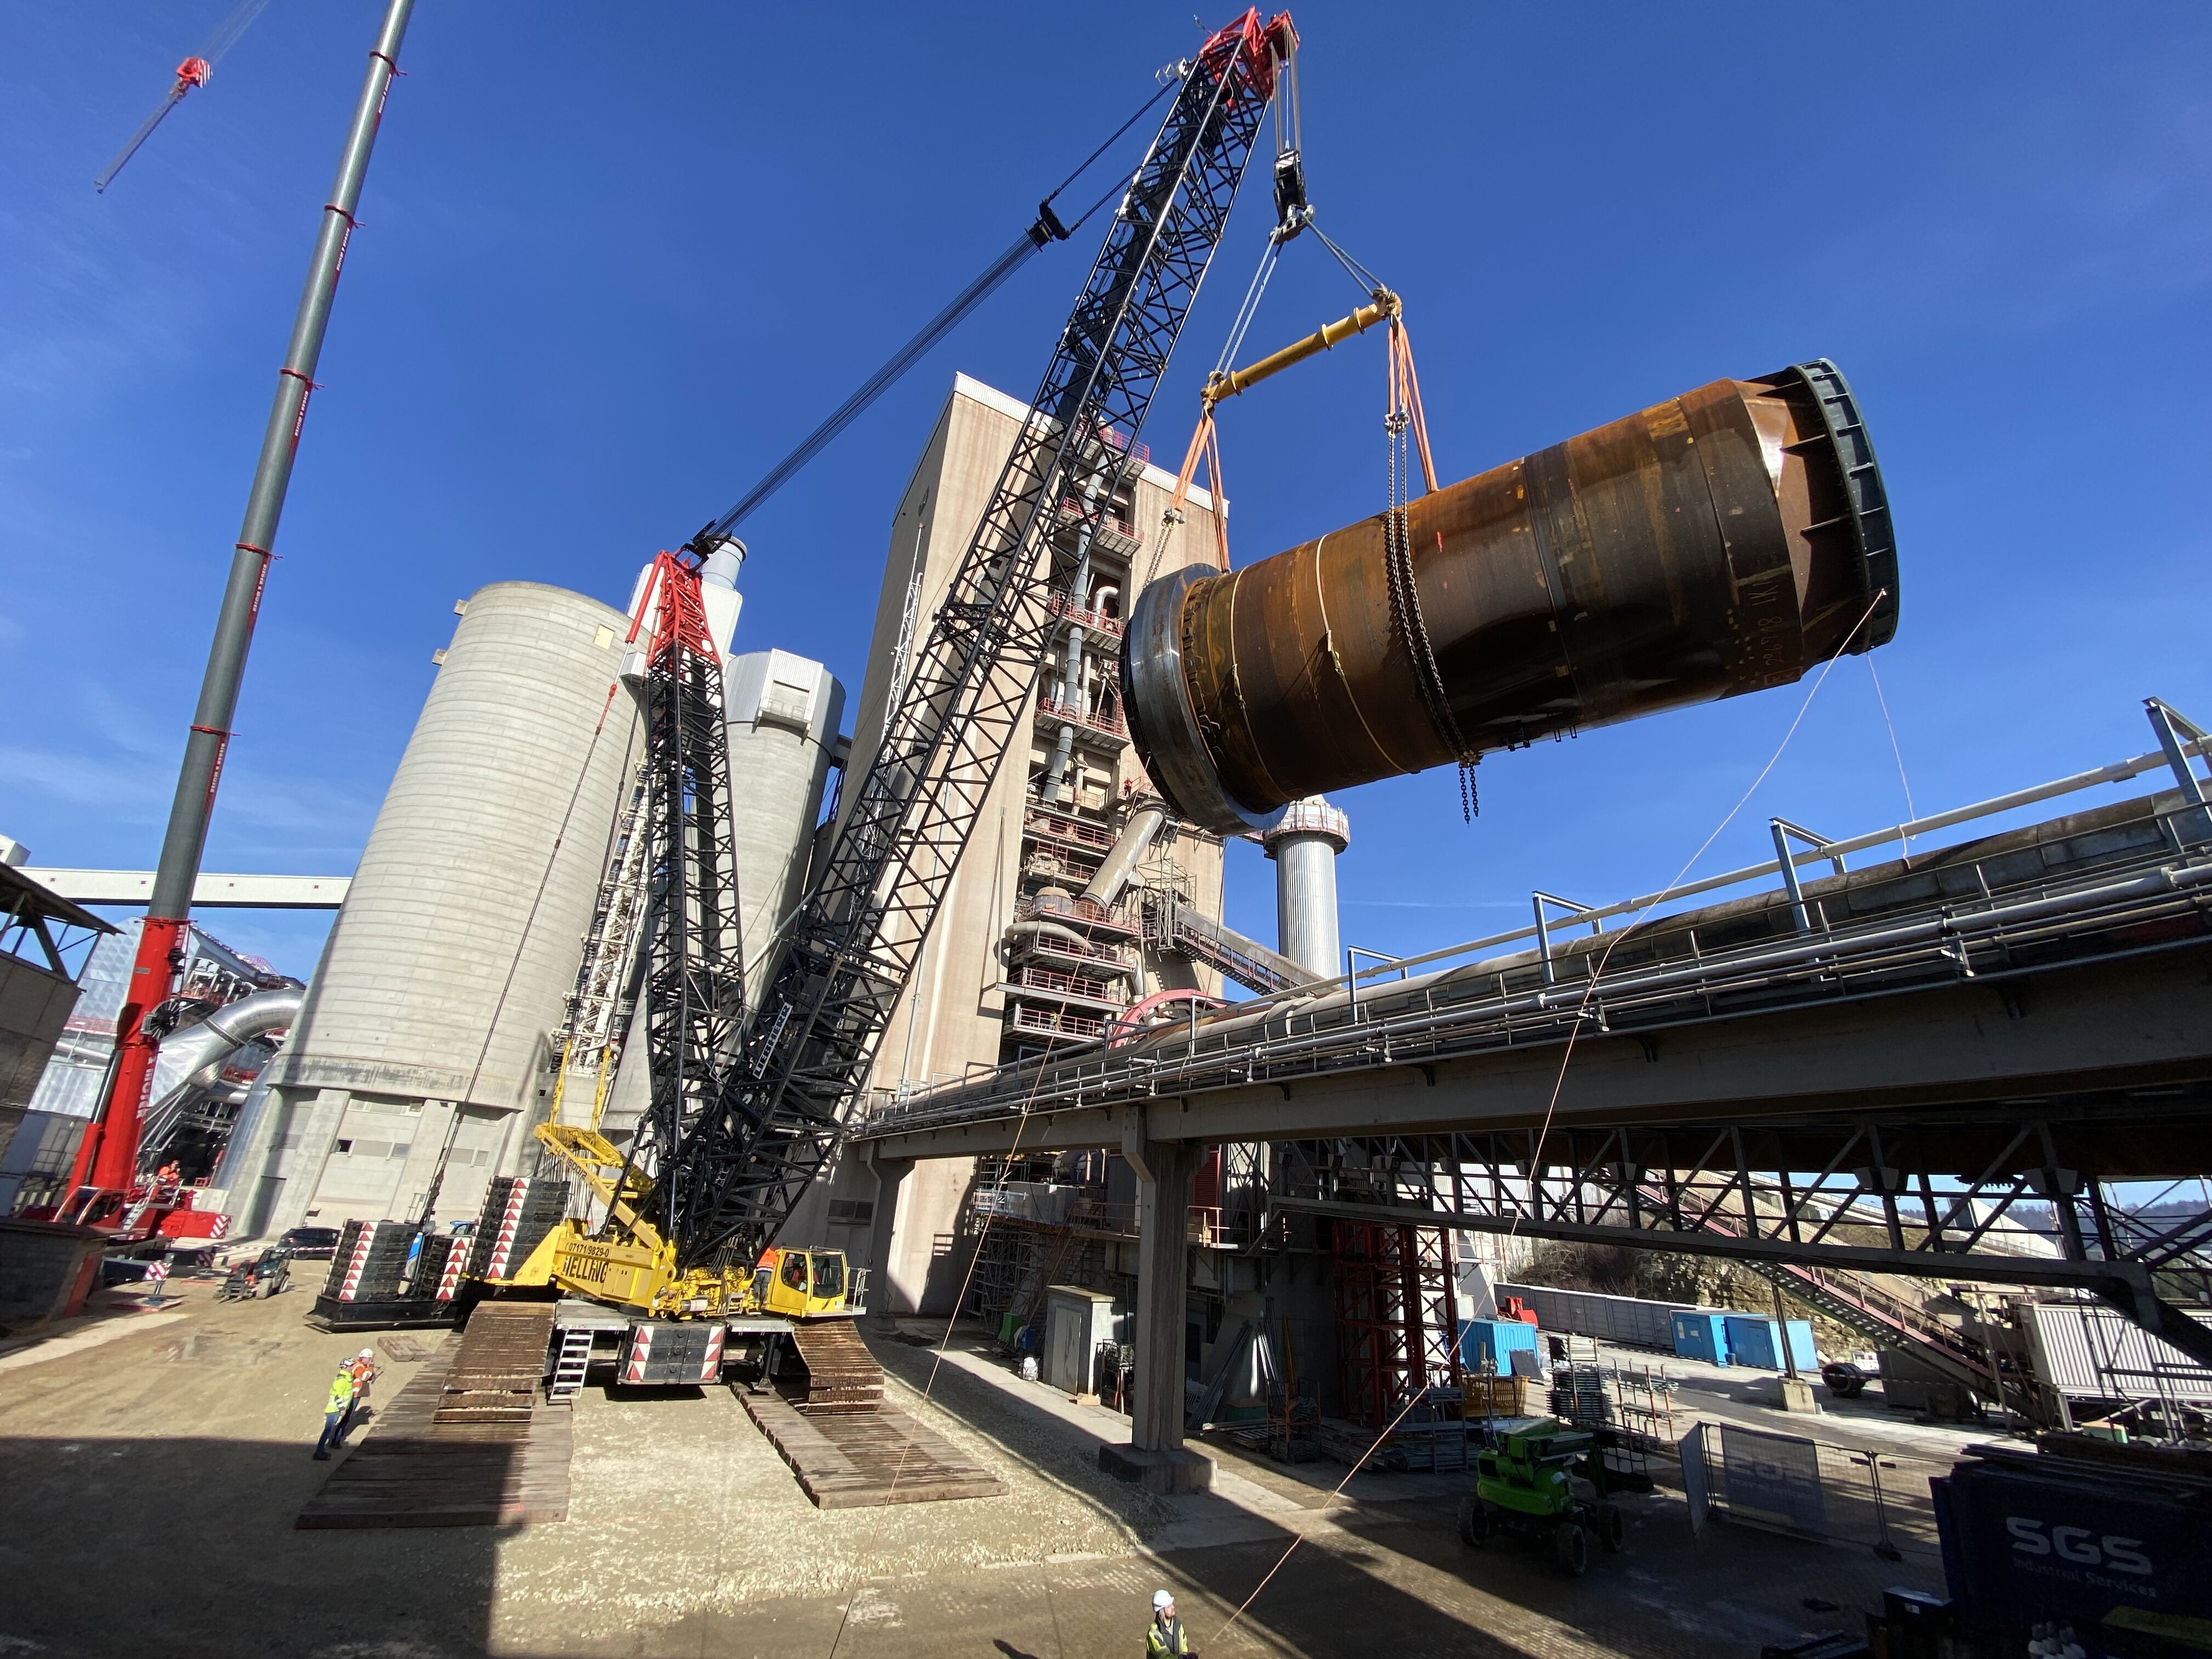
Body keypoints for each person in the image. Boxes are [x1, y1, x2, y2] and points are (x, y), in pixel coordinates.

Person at [313, 1363, 356, 1460]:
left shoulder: (348, 1379)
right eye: (350, 1366)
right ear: (344, 1367)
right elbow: (338, 1396)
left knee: (328, 1430)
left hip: (337, 1409)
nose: (352, 1367)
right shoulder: (342, 1380)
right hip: (334, 1410)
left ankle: (320, 1451)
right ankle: (319, 1452)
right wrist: (342, 1409)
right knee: (328, 1430)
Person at [337, 1347, 378, 1442]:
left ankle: (339, 1437)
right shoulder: (359, 1367)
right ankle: (337, 1439)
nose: (369, 1361)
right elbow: (365, 1377)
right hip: (354, 1394)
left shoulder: (361, 1366)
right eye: (369, 1359)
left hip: (356, 1394)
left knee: (348, 1416)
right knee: (347, 1416)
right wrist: (371, 1367)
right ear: (364, 1358)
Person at [1146, 1589, 1192, 1656]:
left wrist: (1185, 1655)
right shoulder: (1154, 1633)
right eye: (1169, 1606)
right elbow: (1164, 1656)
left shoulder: (1178, 1625)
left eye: (1172, 1604)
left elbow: (1184, 1644)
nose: (1173, 1607)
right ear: (1161, 1611)